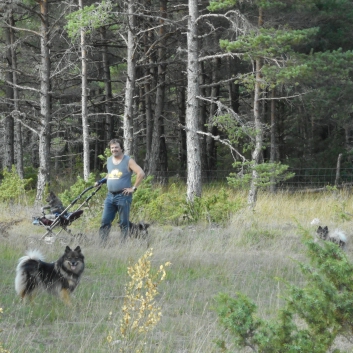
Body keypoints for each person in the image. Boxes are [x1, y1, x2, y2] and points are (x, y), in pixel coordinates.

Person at [95, 138, 145, 244]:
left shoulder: (128, 160)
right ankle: (102, 245)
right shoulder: (109, 160)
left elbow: (141, 173)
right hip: (110, 196)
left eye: (116, 147)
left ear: (121, 148)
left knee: (123, 222)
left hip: (123, 196)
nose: (114, 149)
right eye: (112, 148)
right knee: (105, 221)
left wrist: (133, 188)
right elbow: (110, 174)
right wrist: (101, 181)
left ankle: (123, 245)